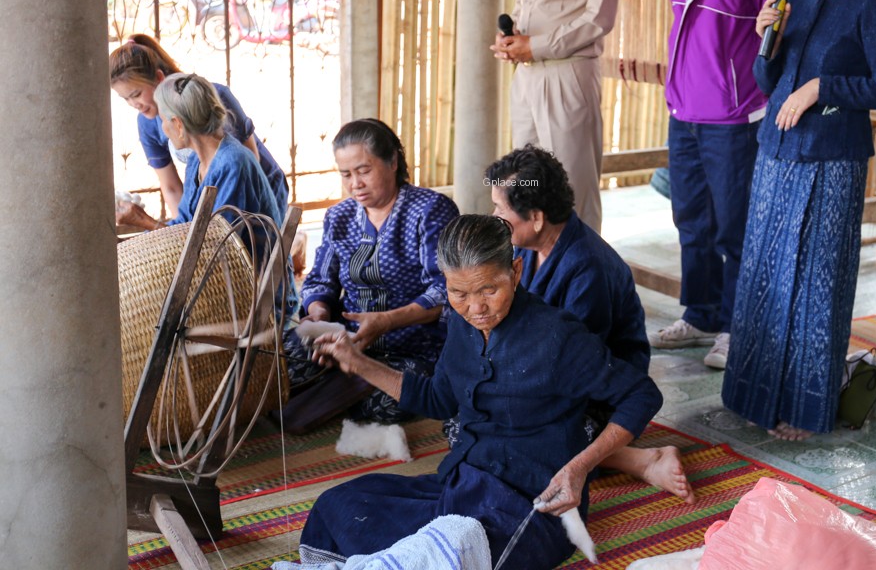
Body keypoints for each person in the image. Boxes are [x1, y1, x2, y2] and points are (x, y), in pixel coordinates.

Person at [297, 215, 663, 567]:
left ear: (515, 272)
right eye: (458, 292)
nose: (476, 308)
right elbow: (438, 399)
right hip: (464, 489)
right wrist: (358, 362)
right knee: (337, 506)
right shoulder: (463, 324)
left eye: (490, 289)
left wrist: (579, 468)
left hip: (533, 506)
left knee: (453, 551)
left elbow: (642, 395)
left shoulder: (557, 337)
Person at [721, 0, 876, 441]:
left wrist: (823, 87)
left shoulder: (874, 3)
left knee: (814, 287)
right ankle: (754, 397)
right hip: (776, 155)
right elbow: (769, 83)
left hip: (831, 162)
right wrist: (767, 41)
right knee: (764, 278)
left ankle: (806, 409)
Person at [649, 0, 790, 371]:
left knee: (735, 227)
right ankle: (702, 314)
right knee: (690, 220)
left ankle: (736, 326)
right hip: (683, 110)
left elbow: (778, 42)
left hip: (735, 117)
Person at [485, 145, 693, 503]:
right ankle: (635, 460)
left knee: (500, 429)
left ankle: (643, 461)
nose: (494, 216)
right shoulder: (524, 248)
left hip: (597, 390)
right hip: (545, 370)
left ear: (536, 217)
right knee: (474, 415)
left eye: (500, 210)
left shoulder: (588, 267)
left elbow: (575, 364)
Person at [284, 118, 459, 432]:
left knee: (393, 402)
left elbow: (445, 290)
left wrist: (386, 321)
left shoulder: (430, 211)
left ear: (392, 162)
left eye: (364, 170)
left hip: (413, 347)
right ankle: (344, 378)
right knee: (281, 357)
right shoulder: (338, 216)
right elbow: (320, 280)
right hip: (347, 337)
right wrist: (320, 318)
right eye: (346, 174)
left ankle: (344, 381)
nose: (355, 184)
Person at [490, 0, 625, 234]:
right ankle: (534, 263)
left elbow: (598, 19)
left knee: (572, 186)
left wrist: (536, 46)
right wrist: (512, 37)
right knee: (526, 183)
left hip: (568, 75)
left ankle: (583, 267)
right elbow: (527, 0)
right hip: (528, 76)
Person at [109, 34, 288, 220]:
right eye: (125, 99)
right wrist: (183, 233)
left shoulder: (232, 155)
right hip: (222, 198)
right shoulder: (195, 162)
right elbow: (172, 189)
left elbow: (248, 163)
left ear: (178, 124)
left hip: (257, 191)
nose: (133, 104)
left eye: (136, 94)